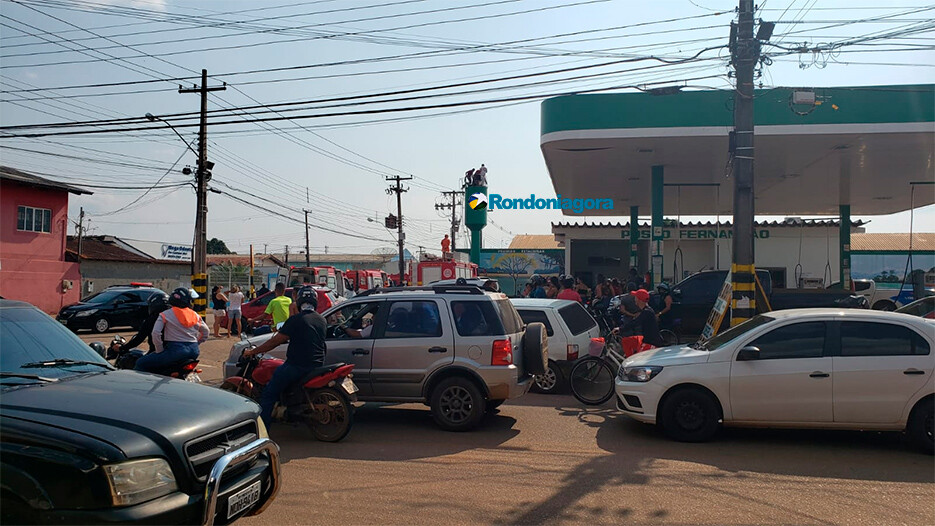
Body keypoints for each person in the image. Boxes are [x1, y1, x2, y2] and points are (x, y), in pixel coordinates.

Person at [243, 286, 327, 427]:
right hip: (317, 365)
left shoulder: (295, 320)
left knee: (268, 394)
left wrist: (253, 352)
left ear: (299, 301)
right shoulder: (321, 320)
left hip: (297, 366)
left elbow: (275, 341)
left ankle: (262, 431)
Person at [135, 288, 209, 373]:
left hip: (175, 351)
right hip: (194, 352)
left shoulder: (165, 314)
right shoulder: (195, 315)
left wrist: (159, 350)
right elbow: (206, 332)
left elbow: (155, 333)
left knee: (140, 363)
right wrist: (196, 343)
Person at [111, 291, 170, 356]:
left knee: (139, 363)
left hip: (157, 353)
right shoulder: (173, 318)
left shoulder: (153, 319)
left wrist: (122, 348)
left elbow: (139, 338)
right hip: (174, 353)